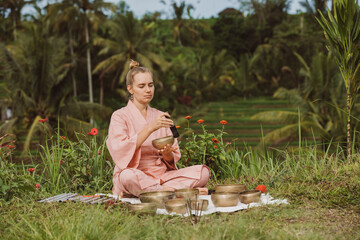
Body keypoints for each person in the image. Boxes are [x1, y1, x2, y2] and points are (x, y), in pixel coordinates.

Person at [106, 60, 210, 197]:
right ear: (130, 89)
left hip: (162, 176)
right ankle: (176, 192)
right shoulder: (119, 116)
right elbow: (119, 149)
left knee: (203, 172)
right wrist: (150, 128)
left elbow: (174, 154)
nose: (148, 90)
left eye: (151, 85)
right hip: (136, 174)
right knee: (126, 177)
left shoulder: (162, 116)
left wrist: (168, 155)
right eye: (142, 86)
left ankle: (158, 191)